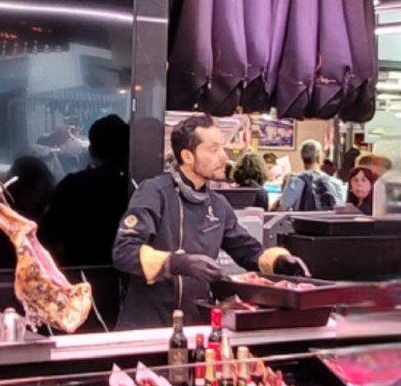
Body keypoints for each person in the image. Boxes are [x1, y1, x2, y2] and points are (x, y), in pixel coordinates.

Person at [111, 113, 301, 328]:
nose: (223, 157)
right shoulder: (154, 192)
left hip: (195, 325)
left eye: (222, 148)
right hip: (148, 326)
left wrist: (278, 262)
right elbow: (124, 252)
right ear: (188, 156)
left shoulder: (218, 204)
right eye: (213, 149)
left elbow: (248, 251)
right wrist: (178, 263)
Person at [40, 114, 130, 269]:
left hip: (77, 272)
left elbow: (47, 235)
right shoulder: (138, 187)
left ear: (91, 151)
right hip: (128, 274)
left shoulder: (72, 186)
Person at [279, 139, 345, 211]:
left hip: (302, 218)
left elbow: (283, 209)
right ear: (318, 158)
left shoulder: (294, 182)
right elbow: (342, 207)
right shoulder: (334, 183)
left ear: (302, 158)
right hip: (328, 218)